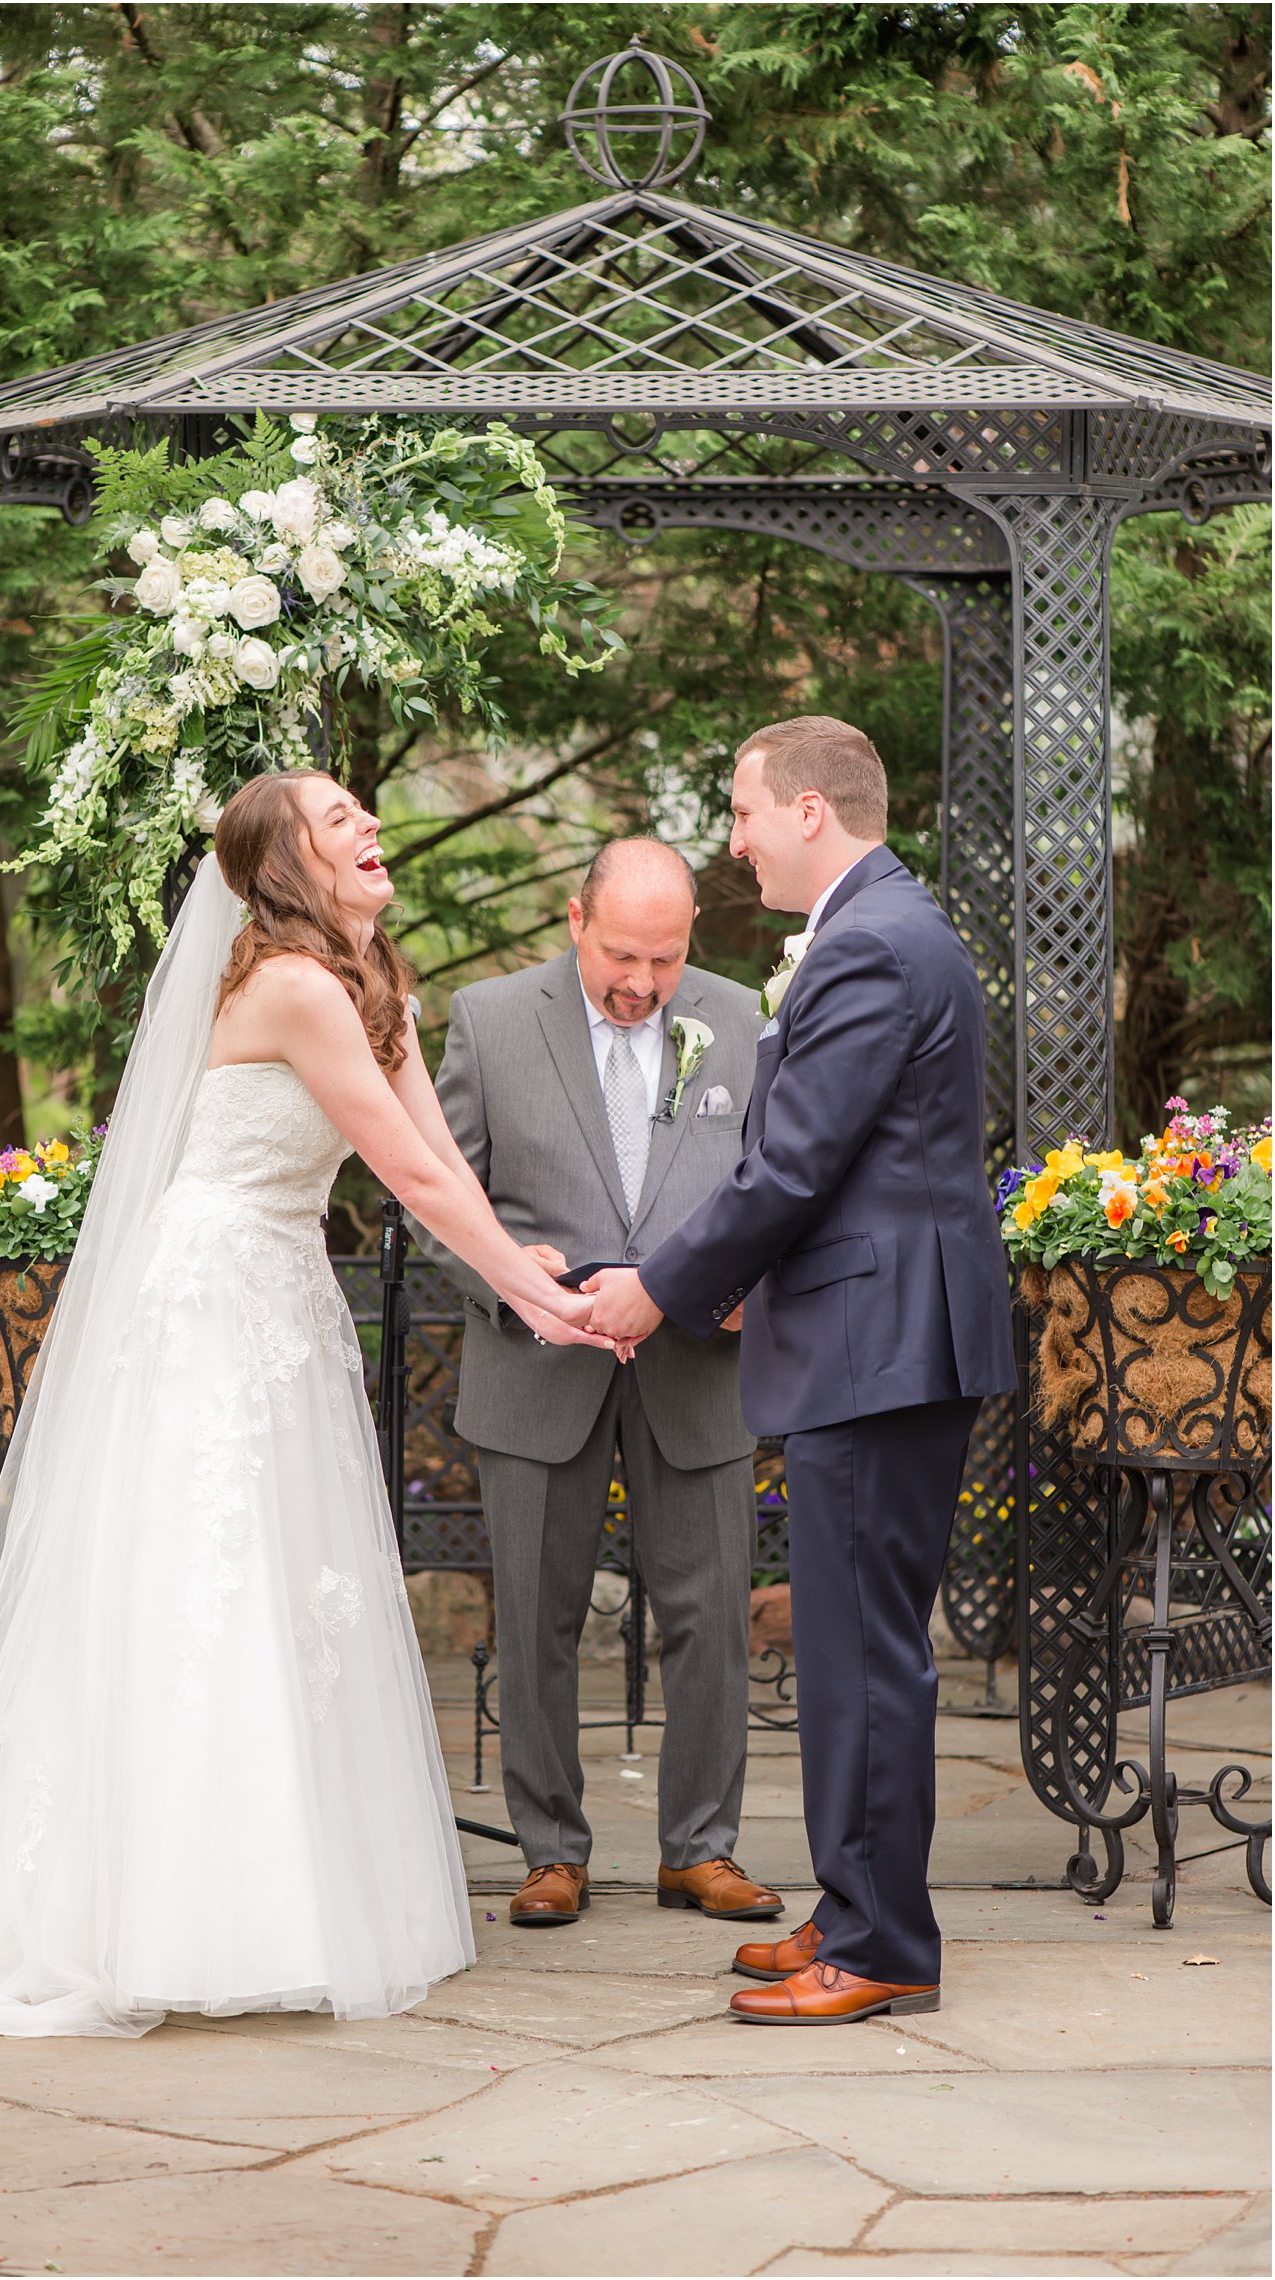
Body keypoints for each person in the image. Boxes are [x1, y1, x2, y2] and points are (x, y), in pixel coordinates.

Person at [0, 771, 613, 2039]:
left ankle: (290, 1900)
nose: (369, 827)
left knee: (289, 1591)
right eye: (340, 821)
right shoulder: (288, 985)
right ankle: (161, 1914)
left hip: (283, 1295)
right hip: (211, 1301)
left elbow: (440, 1154)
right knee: (203, 1589)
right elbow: (399, 1170)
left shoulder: (373, 981)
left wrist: (521, 1261)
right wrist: (533, 1299)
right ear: (285, 868)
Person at [586, 718, 1015, 2024]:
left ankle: (882, 1947)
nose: (735, 837)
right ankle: (852, 1903)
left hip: (878, 1348)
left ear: (813, 809)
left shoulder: (875, 942)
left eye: (744, 810)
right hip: (873, 1339)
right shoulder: (879, 925)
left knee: (865, 1656)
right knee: (845, 1646)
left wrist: (656, 1289)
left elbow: (794, 1169)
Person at [414, 839, 784, 1930]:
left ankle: (700, 1851)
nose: (641, 982)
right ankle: (549, 1852)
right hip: (537, 1367)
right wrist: (501, 1272)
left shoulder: (742, 1020)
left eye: (665, 961)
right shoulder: (486, 1019)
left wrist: (733, 1289)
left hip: (697, 1368)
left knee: (712, 1619)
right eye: (622, 954)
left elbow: (774, 1184)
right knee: (534, 1620)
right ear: (573, 920)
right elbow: (434, 1188)